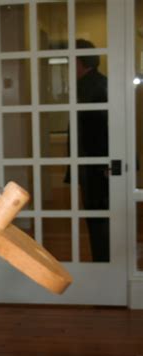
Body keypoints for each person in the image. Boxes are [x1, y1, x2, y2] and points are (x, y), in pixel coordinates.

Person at [76, 38, 109, 262]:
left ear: (80, 61)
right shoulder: (101, 82)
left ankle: (103, 263)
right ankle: (104, 261)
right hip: (98, 162)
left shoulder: (89, 86)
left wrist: (107, 163)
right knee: (101, 214)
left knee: (97, 215)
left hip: (96, 163)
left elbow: (100, 128)